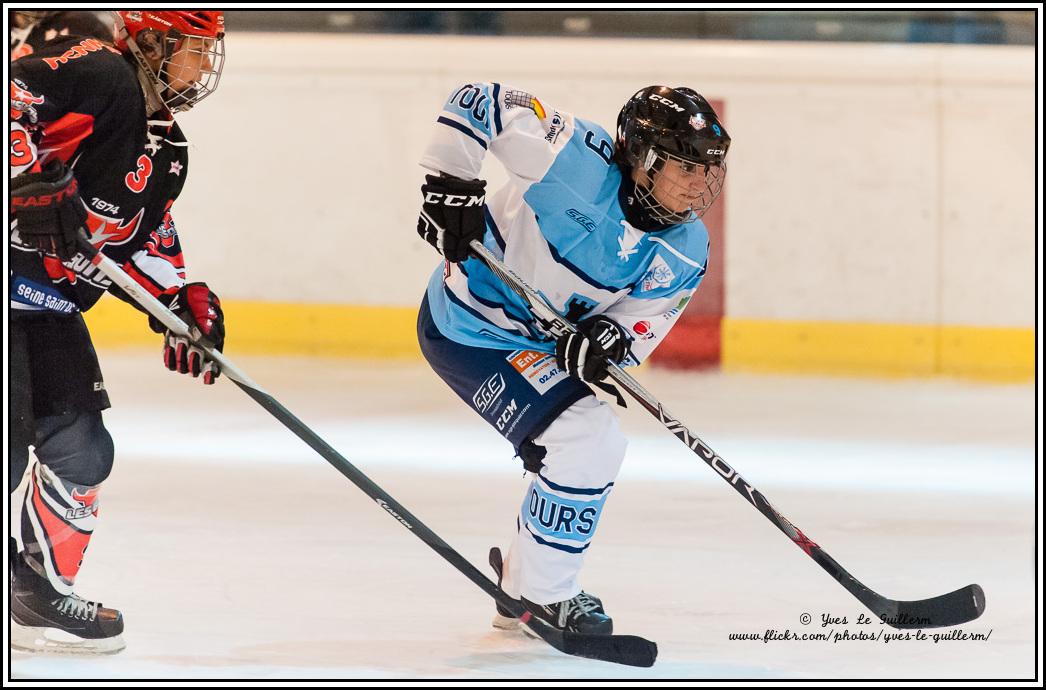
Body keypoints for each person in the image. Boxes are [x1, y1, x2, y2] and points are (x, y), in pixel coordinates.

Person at [415, 84, 729, 634]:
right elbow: (476, 100)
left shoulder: (688, 248)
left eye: (709, 170)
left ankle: (524, 584)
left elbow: (635, 328)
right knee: (586, 439)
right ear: (644, 159)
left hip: (534, 345)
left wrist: (606, 342)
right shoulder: (573, 156)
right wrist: (451, 185)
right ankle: (543, 594)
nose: (700, 185)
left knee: (590, 442)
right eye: (686, 167)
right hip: (469, 325)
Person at [9, 10, 227, 654]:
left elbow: (139, 238)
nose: (203, 66)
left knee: (82, 450)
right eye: (193, 49)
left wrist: (179, 299)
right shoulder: (100, 71)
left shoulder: (170, 147)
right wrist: (23, 179)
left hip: (44, 301)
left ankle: (37, 590)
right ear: (153, 42)